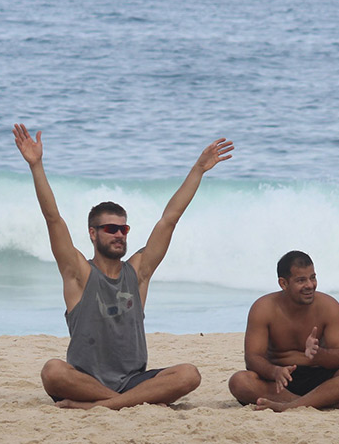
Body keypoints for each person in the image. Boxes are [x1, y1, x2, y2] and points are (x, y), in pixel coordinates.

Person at [12, 123, 233, 410]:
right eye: (110, 228)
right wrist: (36, 166)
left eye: (123, 229)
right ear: (93, 233)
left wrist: (198, 170)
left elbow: (169, 219)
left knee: (189, 374)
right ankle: (122, 403)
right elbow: (53, 218)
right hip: (84, 380)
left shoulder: (138, 272)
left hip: (132, 381)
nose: (118, 234)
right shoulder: (79, 274)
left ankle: (99, 406)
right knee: (52, 371)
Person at [228, 250, 339, 412]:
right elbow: (252, 358)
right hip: (281, 383)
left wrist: (318, 354)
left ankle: (290, 406)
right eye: (301, 280)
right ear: (283, 283)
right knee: (239, 381)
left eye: (313, 277)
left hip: (322, 380)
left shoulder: (329, 306)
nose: (310, 285)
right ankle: (321, 403)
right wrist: (274, 371)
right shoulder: (264, 308)